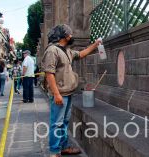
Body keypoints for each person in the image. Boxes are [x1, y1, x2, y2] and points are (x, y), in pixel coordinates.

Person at [42, 24, 101, 157]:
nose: (72, 36)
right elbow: (49, 73)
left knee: (64, 122)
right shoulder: (52, 50)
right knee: (57, 123)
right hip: (60, 94)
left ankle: (63, 147)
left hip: (68, 93)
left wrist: (96, 44)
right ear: (64, 36)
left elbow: (81, 54)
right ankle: (54, 152)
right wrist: (56, 94)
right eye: (70, 34)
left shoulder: (67, 50)